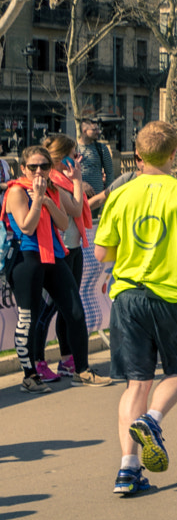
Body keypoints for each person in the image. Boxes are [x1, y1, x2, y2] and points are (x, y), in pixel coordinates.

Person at [94, 122, 177, 497]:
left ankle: (127, 469)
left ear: (138, 156)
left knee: (136, 381)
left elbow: (101, 252)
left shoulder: (121, 195)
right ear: (174, 154)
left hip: (128, 295)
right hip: (171, 294)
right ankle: (153, 420)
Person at [8, 143, 88, 393]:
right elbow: (27, 227)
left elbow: (64, 223)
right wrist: (37, 201)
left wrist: (48, 202)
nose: (40, 172)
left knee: (74, 311)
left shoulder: (52, 190)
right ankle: (30, 375)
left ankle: (82, 370)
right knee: (28, 318)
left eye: (44, 166)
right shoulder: (17, 192)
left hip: (53, 255)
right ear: (23, 169)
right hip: (27, 258)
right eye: (33, 167)